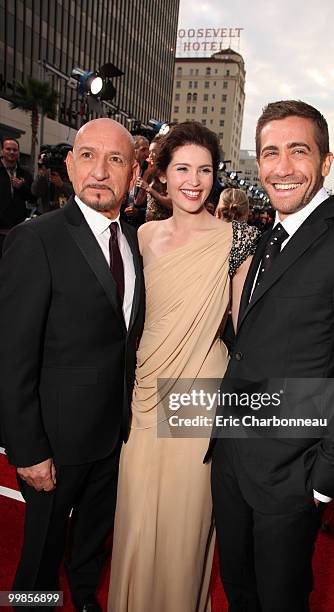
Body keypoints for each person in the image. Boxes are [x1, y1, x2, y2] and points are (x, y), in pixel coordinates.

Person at [208, 100, 334, 612]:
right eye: (270, 153)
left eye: (299, 151)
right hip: (232, 457)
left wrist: (324, 481)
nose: (282, 167)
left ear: (324, 163)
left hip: (293, 473)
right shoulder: (267, 237)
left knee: (281, 599)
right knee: (240, 590)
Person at [108, 121, 259, 612]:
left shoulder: (239, 239)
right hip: (143, 391)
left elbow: (245, 325)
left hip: (199, 391)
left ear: (216, 177)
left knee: (184, 527)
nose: (194, 180)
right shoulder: (143, 234)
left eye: (205, 170)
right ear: (164, 175)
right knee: (134, 519)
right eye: (183, 169)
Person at [0, 118, 145, 612]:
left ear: (134, 172)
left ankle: (85, 601)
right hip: (54, 443)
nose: (100, 171)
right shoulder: (35, 239)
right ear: (70, 164)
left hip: (114, 435)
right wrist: (27, 448)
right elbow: (13, 353)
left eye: (116, 160)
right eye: (88, 156)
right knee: (39, 560)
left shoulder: (134, 243)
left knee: (91, 545)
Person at [0, 137, 36, 255]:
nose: (11, 152)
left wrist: (22, 188)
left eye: (15, 150)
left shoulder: (25, 174)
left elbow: (33, 198)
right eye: (8, 149)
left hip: (18, 230)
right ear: (2, 151)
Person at [137, 135, 173, 221]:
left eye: (154, 152)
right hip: (150, 226)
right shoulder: (151, 174)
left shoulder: (170, 175)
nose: (150, 155)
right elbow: (138, 202)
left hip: (165, 226)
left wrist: (149, 189)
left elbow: (171, 203)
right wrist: (145, 175)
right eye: (149, 152)